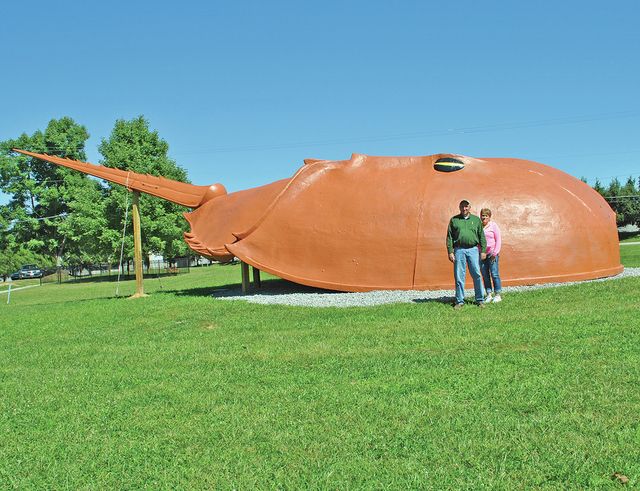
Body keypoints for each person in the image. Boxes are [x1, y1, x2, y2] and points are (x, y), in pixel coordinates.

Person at [446, 200, 487, 309]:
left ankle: (480, 299)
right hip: (459, 250)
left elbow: (482, 236)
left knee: (477, 274)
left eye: (466, 206)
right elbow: (449, 237)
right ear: (459, 207)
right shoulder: (454, 220)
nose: (464, 209)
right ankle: (459, 301)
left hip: (473, 250)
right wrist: (450, 251)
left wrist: (483, 250)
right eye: (462, 207)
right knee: (459, 276)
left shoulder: (476, 220)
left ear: (469, 207)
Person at [480, 208, 502, 303]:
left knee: (494, 274)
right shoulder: (479, 226)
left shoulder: (493, 226)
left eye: (486, 216)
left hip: (492, 254)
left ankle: (497, 294)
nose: (484, 217)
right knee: (485, 275)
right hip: (483, 255)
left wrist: (495, 253)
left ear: (489, 217)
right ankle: (488, 294)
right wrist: (480, 253)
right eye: (483, 215)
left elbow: (498, 240)